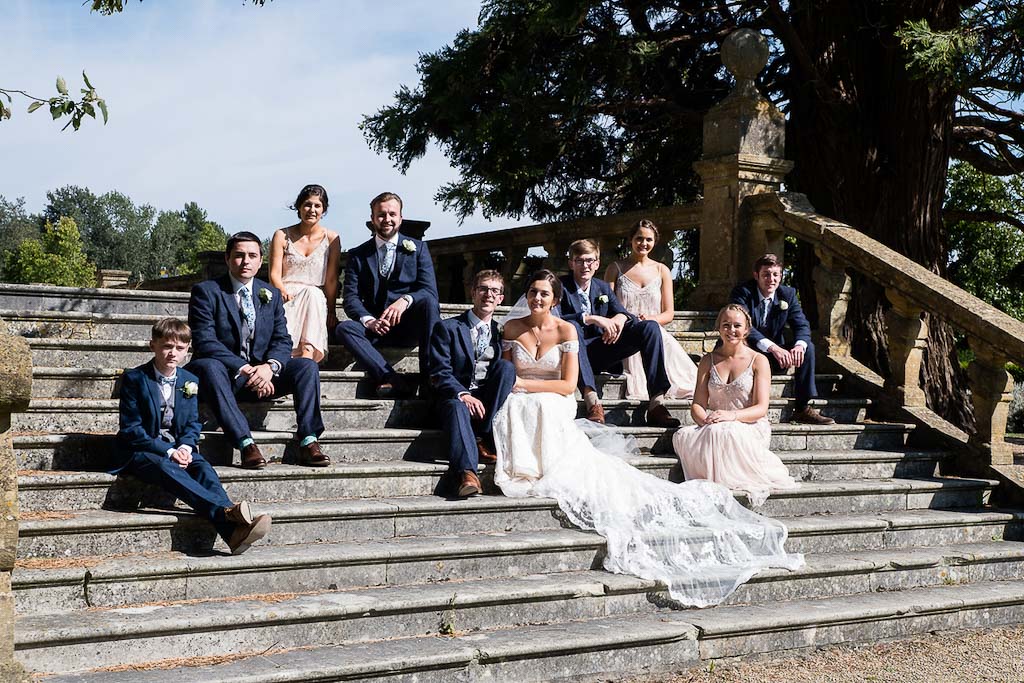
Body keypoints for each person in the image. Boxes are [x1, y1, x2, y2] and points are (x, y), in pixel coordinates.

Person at [492, 271, 803, 607]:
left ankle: (656, 399)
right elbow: (507, 373)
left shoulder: (579, 313)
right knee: (515, 404)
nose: (538, 299)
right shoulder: (513, 328)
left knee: (648, 330)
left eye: (544, 294)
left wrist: (610, 319)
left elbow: (568, 383)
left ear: (553, 298)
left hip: (572, 372)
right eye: (533, 293)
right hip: (545, 378)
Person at [112, 318, 272, 555]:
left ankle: (233, 532)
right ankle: (228, 514)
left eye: (179, 348)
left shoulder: (189, 381)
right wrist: (168, 451)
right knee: (167, 467)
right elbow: (132, 430)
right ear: (152, 346)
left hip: (178, 447)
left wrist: (187, 446)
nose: (172, 354)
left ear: (188, 351)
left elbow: (191, 423)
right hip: (141, 451)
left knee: (203, 467)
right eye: (166, 346)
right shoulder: (135, 379)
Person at [187, 231, 329, 469]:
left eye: (252, 255)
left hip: (261, 377)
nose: (246, 261)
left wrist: (270, 367)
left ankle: (308, 439)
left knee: (306, 366)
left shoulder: (270, 294)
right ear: (227, 258)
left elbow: (282, 340)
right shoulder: (207, 291)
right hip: (223, 377)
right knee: (209, 365)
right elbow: (205, 341)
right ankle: (245, 443)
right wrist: (246, 369)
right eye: (239, 255)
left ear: (260, 260)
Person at [672, 304, 799, 507]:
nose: (731, 330)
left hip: (750, 425)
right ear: (719, 328)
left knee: (725, 431)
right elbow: (697, 404)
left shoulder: (759, 361)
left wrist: (731, 416)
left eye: (737, 325)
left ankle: (726, 482)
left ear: (746, 329)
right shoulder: (708, 360)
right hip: (715, 424)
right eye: (726, 325)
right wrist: (705, 421)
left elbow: (761, 408)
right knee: (687, 435)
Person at [558, 238, 679, 427]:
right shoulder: (560, 286)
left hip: (601, 351)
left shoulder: (602, 287)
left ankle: (657, 403)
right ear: (571, 263)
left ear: (597, 264)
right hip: (571, 354)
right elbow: (553, 319)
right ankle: (592, 402)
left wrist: (620, 318)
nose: (585, 265)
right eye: (580, 260)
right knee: (572, 328)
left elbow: (624, 313)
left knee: (650, 327)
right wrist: (589, 318)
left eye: (590, 260)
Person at [335, 192, 440, 398]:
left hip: (409, 327)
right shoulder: (358, 255)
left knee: (428, 302)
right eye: (381, 215)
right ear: (373, 218)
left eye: (392, 214)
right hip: (376, 329)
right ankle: (389, 377)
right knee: (344, 328)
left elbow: (429, 291)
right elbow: (351, 298)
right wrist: (369, 321)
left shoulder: (418, 249)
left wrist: (405, 300)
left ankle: (430, 377)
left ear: (401, 218)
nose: (387, 219)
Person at [427, 269, 516, 497]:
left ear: (501, 299)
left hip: (487, 403)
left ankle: (482, 436)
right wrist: (462, 394)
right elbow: (439, 371)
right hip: (453, 400)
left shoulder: (502, 332)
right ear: (473, 293)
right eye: (483, 289)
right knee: (457, 406)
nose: (488, 295)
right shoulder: (447, 328)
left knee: (507, 368)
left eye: (494, 291)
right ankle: (467, 473)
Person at [729, 253, 834, 425]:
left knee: (808, 347)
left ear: (781, 275)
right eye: (766, 274)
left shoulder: (788, 294)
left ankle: (802, 408)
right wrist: (772, 347)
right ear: (756, 276)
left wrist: (799, 345)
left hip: (775, 358)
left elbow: (801, 325)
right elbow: (743, 327)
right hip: (747, 353)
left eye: (776, 274)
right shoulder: (742, 293)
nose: (771, 279)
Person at [605, 219, 697, 400]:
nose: (643, 244)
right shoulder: (615, 268)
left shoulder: (662, 270)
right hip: (626, 332)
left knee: (687, 381)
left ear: (655, 241)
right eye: (639, 238)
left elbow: (669, 313)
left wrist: (651, 319)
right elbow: (607, 307)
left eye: (649, 239)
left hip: (654, 331)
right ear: (631, 239)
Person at [268, 184, 341, 362]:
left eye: (317, 205)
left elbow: (331, 280)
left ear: (324, 210)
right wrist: (282, 291)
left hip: (315, 299)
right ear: (299, 207)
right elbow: (274, 274)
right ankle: (287, 352)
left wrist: (332, 311)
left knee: (313, 293)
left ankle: (307, 354)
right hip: (286, 295)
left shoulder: (332, 239)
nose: (312, 210)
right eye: (307, 204)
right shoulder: (281, 235)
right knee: (308, 295)